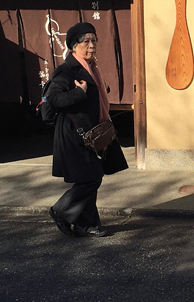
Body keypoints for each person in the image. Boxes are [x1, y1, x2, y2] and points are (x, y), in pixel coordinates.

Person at [47, 21, 128, 238]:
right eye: (86, 41)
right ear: (74, 45)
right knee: (91, 178)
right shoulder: (66, 70)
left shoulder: (92, 68)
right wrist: (79, 93)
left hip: (91, 133)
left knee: (89, 177)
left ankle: (87, 226)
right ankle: (60, 210)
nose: (91, 45)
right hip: (74, 135)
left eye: (94, 40)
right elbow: (54, 100)